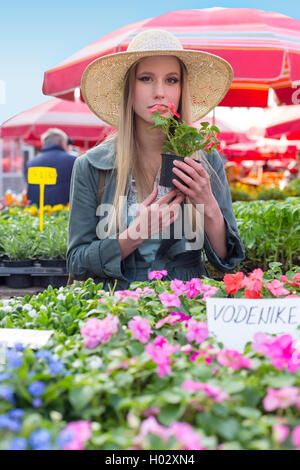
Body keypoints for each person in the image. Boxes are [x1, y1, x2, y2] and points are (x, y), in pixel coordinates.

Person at [67, 29, 245, 291]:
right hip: (116, 315)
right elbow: (76, 262)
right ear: (130, 88)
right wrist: (133, 235)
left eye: (171, 80)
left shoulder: (206, 161)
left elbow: (227, 263)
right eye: (146, 78)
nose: (160, 92)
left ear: (182, 88)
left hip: (187, 313)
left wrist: (209, 207)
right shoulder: (92, 166)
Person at [26, 128, 76, 206]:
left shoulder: (31, 163)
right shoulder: (73, 161)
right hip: (64, 213)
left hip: (37, 214)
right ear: (62, 142)